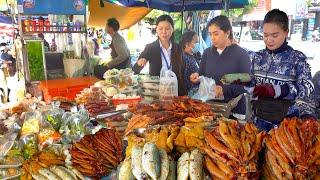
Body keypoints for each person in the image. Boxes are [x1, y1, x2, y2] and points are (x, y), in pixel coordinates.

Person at [248, 9, 315, 131]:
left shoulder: (296, 58)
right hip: (258, 124)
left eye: (275, 35)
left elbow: (307, 88)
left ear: (286, 32)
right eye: (265, 35)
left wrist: (279, 90)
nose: (269, 40)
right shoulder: (257, 57)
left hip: (285, 127)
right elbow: (252, 84)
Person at [190, 15, 251, 117]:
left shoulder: (241, 54)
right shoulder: (207, 53)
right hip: (210, 108)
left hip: (234, 110)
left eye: (216, 34)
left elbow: (247, 84)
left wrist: (224, 89)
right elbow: (202, 74)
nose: (212, 38)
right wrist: (197, 78)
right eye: (210, 34)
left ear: (227, 33)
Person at [133, 14, 186, 95]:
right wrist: (139, 63)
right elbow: (135, 70)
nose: (164, 32)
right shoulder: (150, 48)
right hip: (156, 92)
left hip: (176, 92)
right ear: (156, 29)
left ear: (172, 29)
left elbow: (183, 70)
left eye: (167, 28)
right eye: (160, 28)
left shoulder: (178, 48)